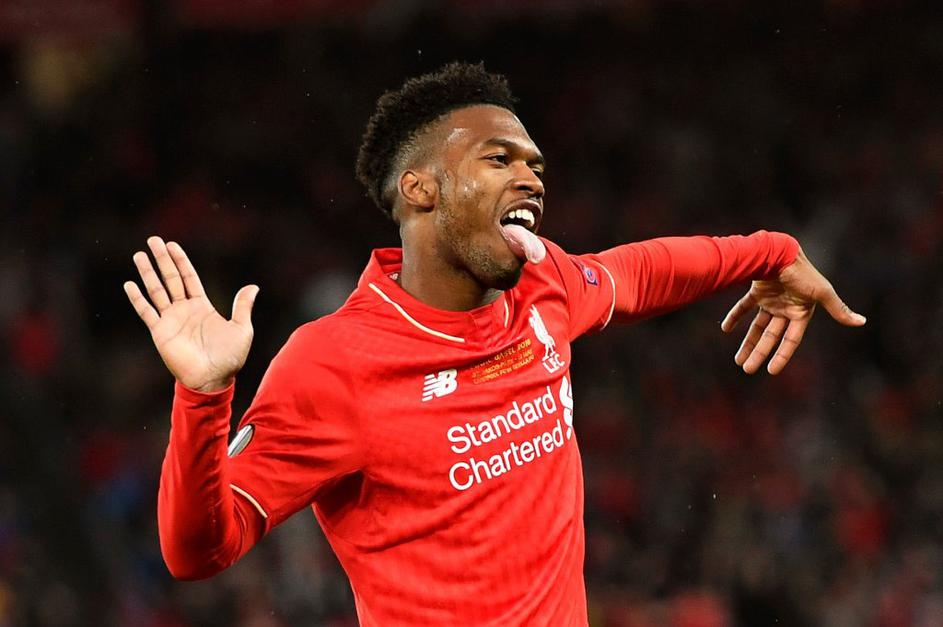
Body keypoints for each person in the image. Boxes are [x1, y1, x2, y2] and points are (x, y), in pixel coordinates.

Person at [123, 62, 866, 625]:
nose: (530, 179)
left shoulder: (542, 286)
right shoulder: (334, 364)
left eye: (535, 165)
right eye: (499, 159)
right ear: (420, 189)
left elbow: (640, 272)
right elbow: (197, 553)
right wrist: (203, 396)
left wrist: (770, 252)